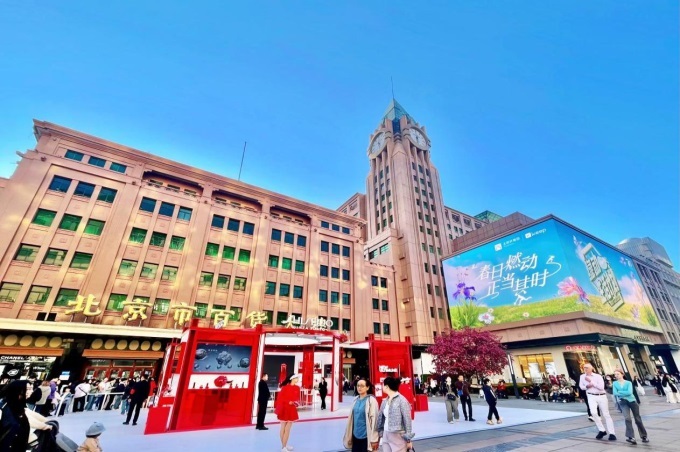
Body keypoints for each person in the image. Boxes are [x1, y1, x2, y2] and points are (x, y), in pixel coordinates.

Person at [0, 380, 52, 451]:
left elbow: (29, 414)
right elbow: (29, 419)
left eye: (32, 388)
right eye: (28, 389)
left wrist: (47, 421)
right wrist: (45, 426)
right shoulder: (3, 406)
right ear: (17, 390)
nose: (31, 391)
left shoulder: (19, 405)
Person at [579, 363, 616, 441]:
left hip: (601, 395)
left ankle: (612, 433)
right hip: (591, 396)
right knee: (593, 413)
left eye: (587, 368)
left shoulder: (598, 376)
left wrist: (591, 382)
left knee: (606, 414)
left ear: (591, 368)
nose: (585, 369)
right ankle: (602, 430)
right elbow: (581, 387)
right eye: (584, 368)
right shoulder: (582, 376)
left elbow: (601, 387)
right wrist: (587, 386)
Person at [376, 376, 414, 452]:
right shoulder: (385, 401)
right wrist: (380, 433)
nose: (382, 387)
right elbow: (381, 418)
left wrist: (408, 439)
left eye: (383, 385)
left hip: (398, 435)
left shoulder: (402, 400)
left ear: (387, 386)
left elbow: (407, 420)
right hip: (386, 434)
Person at [612, 369, 648, 445]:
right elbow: (615, 393)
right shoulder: (614, 383)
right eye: (615, 374)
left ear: (622, 374)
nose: (616, 375)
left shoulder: (628, 382)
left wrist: (619, 392)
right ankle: (631, 437)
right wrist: (622, 393)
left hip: (632, 401)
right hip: (623, 402)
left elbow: (630, 392)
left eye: (618, 374)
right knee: (627, 418)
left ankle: (644, 436)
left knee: (637, 419)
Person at [343, 378, 379, 452]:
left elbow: (375, 421)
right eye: (358, 385)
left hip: (366, 437)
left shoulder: (371, 401)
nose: (359, 388)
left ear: (367, 387)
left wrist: (374, 439)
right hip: (355, 436)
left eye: (362, 386)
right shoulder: (355, 399)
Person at [276, 374, 301, 452]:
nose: (298, 379)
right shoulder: (285, 388)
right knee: (283, 428)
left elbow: (297, 398)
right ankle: (283, 447)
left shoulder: (297, 388)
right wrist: (288, 402)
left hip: (292, 409)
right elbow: (280, 398)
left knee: (287, 429)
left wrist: (296, 402)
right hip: (284, 409)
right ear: (292, 379)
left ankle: (284, 445)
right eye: (296, 378)